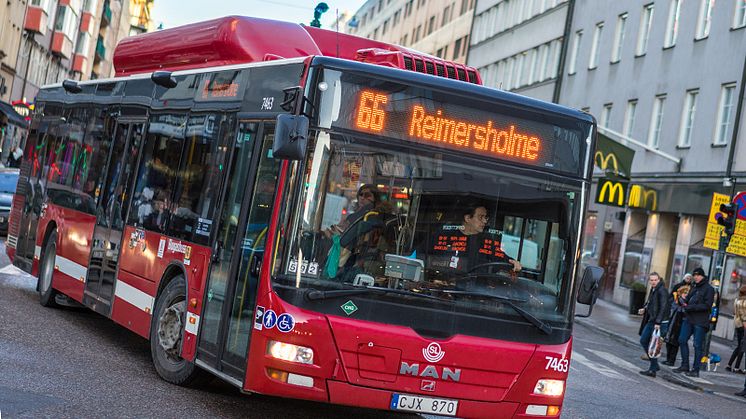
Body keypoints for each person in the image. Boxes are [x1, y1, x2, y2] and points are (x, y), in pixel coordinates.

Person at [429, 202, 521, 275]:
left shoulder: (486, 241)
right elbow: (421, 255)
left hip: (476, 290)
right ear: (468, 218)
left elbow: (501, 258)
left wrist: (514, 263)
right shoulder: (444, 235)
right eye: (481, 217)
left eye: (486, 218)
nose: (485, 221)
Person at [673, 267, 716, 377]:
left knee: (697, 345)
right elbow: (688, 300)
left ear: (702, 276)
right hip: (689, 318)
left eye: (698, 275)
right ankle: (685, 365)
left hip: (700, 321)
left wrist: (691, 307)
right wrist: (683, 300)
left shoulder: (709, 289)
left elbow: (707, 306)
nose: (696, 277)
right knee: (682, 340)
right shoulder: (694, 287)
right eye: (694, 275)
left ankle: (695, 369)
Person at [638, 272, 670, 377]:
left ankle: (653, 369)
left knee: (655, 345)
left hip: (660, 323)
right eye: (651, 280)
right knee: (644, 340)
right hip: (653, 320)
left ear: (659, 280)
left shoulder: (662, 290)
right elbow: (652, 303)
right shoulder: (654, 290)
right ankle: (654, 365)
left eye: (655, 280)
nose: (653, 282)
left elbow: (663, 307)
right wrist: (645, 309)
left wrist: (658, 322)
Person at [662, 280, 690, 367]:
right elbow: (671, 309)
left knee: (675, 343)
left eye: (687, 293)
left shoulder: (687, 304)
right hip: (671, 324)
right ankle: (668, 358)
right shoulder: (676, 301)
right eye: (684, 292)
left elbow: (684, 312)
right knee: (668, 342)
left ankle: (671, 360)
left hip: (679, 325)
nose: (685, 294)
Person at [726, 285, 746, 373]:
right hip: (743, 325)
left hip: (737, 324)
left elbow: (734, 312)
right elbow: (743, 315)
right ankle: (736, 368)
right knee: (742, 346)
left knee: (739, 346)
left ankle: (729, 365)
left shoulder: (737, 300)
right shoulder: (744, 302)